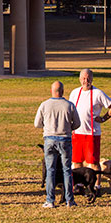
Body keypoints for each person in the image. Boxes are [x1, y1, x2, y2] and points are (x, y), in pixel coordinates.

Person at [68, 68, 111, 190]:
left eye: (88, 78)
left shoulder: (98, 93)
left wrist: (103, 118)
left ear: (92, 79)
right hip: (76, 133)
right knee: (76, 162)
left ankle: (97, 186)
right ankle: (78, 185)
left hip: (92, 134)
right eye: (84, 78)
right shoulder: (74, 93)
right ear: (80, 79)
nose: (86, 81)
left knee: (93, 163)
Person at [34, 80, 81, 208]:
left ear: (51, 91)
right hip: (65, 139)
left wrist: (47, 126)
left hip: (49, 139)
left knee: (50, 170)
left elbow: (37, 123)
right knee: (67, 170)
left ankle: (50, 200)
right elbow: (77, 123)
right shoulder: (69, 105)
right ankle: (69, 200)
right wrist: (68, 127)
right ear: (63, 91)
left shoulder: (44, 105)